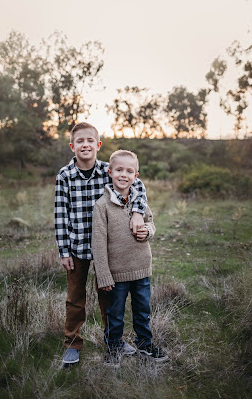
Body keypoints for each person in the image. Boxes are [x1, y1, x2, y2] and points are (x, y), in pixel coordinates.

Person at [55, 122, 147, 367]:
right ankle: (73, 344)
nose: (85, 145)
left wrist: (137, 212)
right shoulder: (65, 175)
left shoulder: (109, 170)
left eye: (90, 141)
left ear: (98, 145)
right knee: (76, 298)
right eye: (80, 142)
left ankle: (113, 340)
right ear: (72, 146)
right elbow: (60, 214)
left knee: (110, 297)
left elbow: (138, 185)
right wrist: (64, 250)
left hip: (109, 249)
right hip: (77, 249)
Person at [92, 150, 168, 367]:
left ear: (136, 175)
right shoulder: (102, 206)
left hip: (142, 268)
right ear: (110, 172)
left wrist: (148, 231)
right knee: (115, 313)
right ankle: (114, 346)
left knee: (142, 310)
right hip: (117, 273)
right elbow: (98, 243)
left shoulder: (140, 201)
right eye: (119, 170)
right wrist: (104, 275)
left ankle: (144, 343)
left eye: (129, 171)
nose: (123, 175)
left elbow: (151, 222)